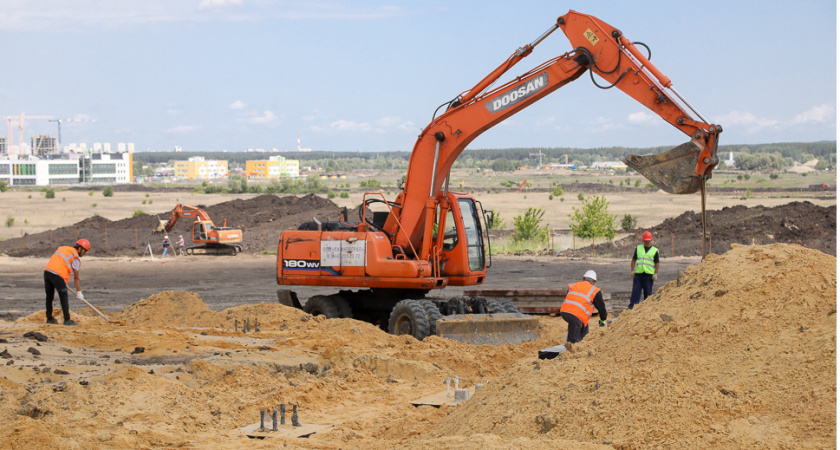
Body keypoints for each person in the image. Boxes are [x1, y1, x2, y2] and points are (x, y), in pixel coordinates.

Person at [44, 239, 90, 326]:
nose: (85, 253)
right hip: (57, 274)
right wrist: (79, 292)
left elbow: (60, 262)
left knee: (49, 296)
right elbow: (76, 277)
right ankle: (67, 320)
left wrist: (63, 281)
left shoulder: (64, 248)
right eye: (85, 251)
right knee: (63, 295)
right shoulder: (75, 257)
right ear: (80, 249)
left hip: (47, 272)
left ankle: (49, 318)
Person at [560, 270, 607, 352]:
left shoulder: (574, 285)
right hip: (576, 315)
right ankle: (572, 350)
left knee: (583, 327)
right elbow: (601, 308)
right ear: (594, 282)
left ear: (583, 278)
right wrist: (603, 319)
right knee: (574, 337)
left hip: (564, 310)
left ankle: (583, 344)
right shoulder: (594, 290)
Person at [629, 231, 660, 310]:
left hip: (648, 276)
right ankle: (632, 309)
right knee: (635, 294)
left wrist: (655, 274)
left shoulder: (655, 250)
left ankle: (647, 310)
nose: (647, 242)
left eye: (648, 240)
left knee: (648, 295)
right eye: (645, 240)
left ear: (650, 240)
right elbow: (633, 260)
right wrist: (632, 270)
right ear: (643, 240)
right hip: (638, 275)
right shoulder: (638, 248)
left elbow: (657, 263)